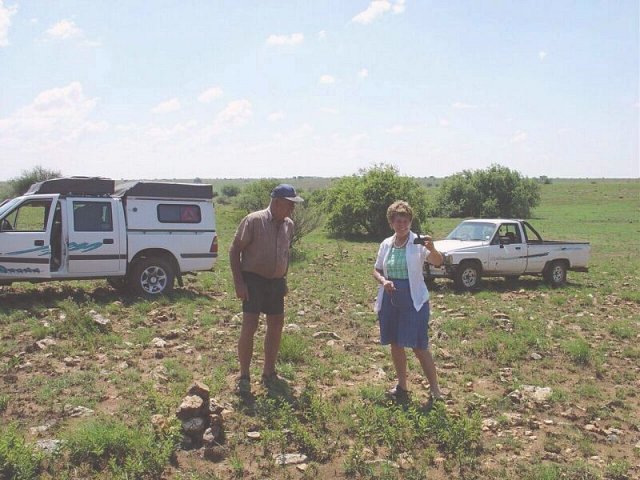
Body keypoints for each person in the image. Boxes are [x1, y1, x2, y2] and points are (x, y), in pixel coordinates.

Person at [229, 184, 304, 396]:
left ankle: (269, 372)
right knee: (250, 325)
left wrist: (284, 279)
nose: (292, 209)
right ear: (277, 202)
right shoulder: (254, 220)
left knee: (276, 325)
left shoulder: (288, 224)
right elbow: (235, 250)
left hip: (276, 282)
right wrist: (239, 282)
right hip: (253, 280)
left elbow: (284, 254)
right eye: (290, 204)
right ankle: (244, 375)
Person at [372, 200, 444, 402]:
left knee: (419, 345)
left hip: (414, 300)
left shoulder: (418, 243)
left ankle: (435, 390)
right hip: (391, 298)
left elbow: (438, 262)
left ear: (410, 222)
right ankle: (402, 387)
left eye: (405, 221)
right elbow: (376, 269)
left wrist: (433, 248)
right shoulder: (386, 244)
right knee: (396, 343)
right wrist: (383, 280)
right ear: (391, 223)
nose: (401, 225)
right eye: (397, 221)